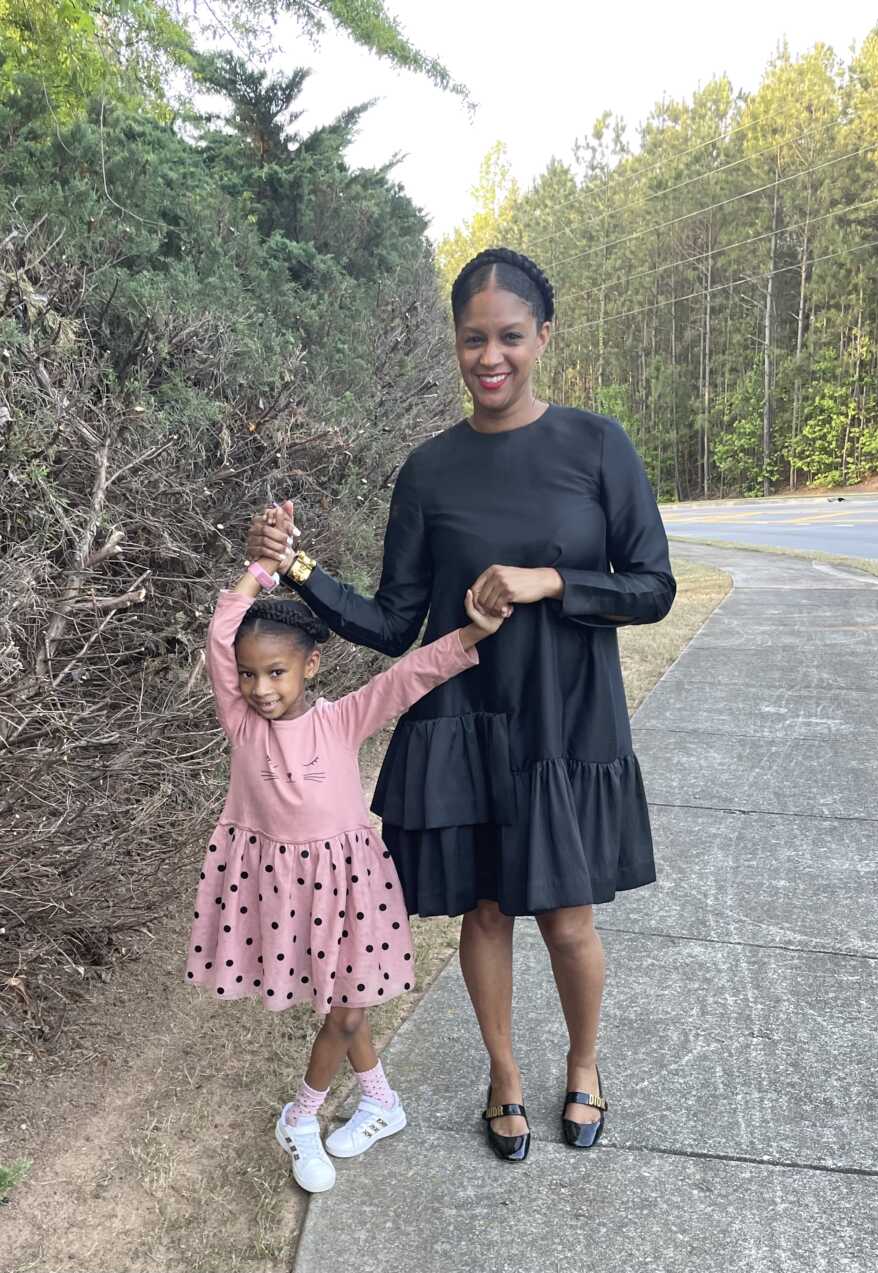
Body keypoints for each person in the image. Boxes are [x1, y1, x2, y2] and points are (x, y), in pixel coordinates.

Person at [249, 246, 676, 1161]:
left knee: (568, 916)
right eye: (474, 338)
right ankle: (505, 1075)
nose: (492, 356)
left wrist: (549, 580)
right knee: (485, 910)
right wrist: (299, 569)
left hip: (568, 713)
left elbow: (651, 587)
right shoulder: (430, 470)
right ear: (456, 341)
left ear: (542, 338)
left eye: (510, 337)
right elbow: (396, 621)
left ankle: (585, 1064)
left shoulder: (599, 446)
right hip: (466, 715)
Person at [184, 519, 505, 1192]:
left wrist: (473, 633)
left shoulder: (341, 718)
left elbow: (412, 673)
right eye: (248, 675)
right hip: (278, 891)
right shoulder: (241, 724)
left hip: (349, 886)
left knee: (348, 1008)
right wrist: (258, 569)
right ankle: (381, 1101)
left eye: (275, 672)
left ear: (310, 665)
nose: (261, 688)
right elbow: (220, 635)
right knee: (342, 1003)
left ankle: (300, 1115)